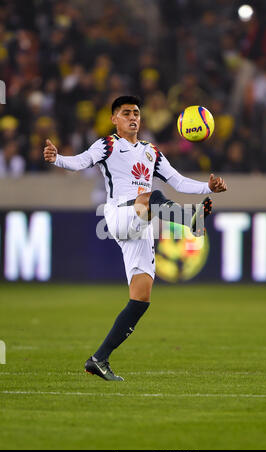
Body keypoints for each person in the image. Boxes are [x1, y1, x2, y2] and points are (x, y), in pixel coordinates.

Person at [43, 95, 227, 381]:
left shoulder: (151, 151)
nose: (133, 117)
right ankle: (189, 220)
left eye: (137, 113)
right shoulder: (108, 144)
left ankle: (99, 359)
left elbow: (177, 181)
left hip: (141, 225)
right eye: (126, 112)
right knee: (151, 196)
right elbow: (82, 162)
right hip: (119, 215)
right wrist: (58, 159)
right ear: (114, 119)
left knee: (141, 299)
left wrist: (209, 186)